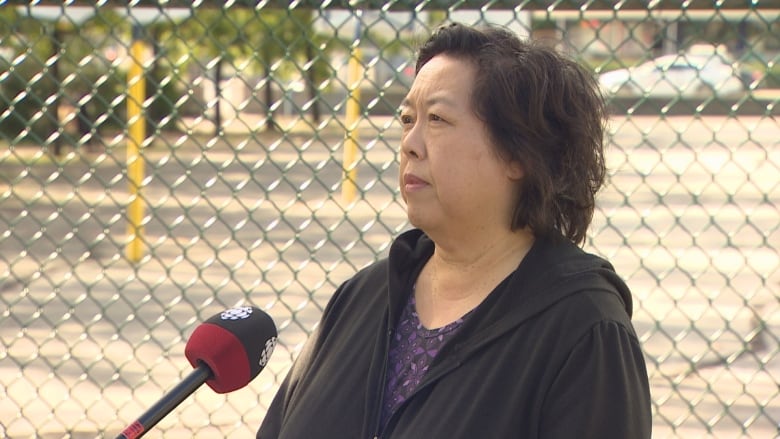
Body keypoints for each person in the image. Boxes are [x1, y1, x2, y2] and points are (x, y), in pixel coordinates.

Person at [257, 22, 652, 438]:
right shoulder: (361, 299)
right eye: (408, 119)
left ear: (520, 153)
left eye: (438, 119)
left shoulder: (583, 330)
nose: (410, 141)